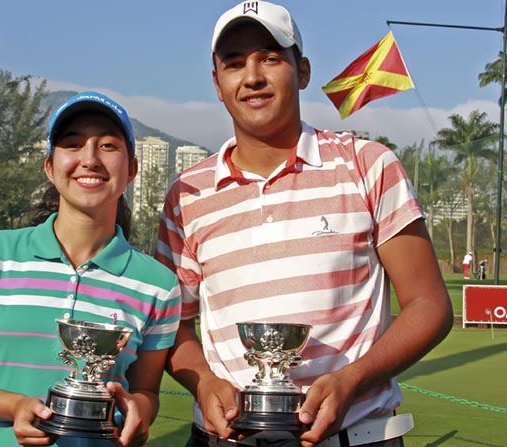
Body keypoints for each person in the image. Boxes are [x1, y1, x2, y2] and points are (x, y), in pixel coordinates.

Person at [156, 2, 453, 446]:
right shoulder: (187, 193)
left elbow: (429, 305)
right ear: (217, 84)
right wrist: (202, 379)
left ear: (304, 71)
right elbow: (173, 323)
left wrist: (351, 379)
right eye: (234, 63)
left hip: (356, 435)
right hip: (225, 438)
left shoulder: (368, 165)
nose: (252, 76)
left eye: (270, 58)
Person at [0, 91, 182, 447]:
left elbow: (146, 391)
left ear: (132, 170)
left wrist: (139, 408)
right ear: (50, 166)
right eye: (72, 145)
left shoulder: (158, 284)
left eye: (108, 146)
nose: (90, 159)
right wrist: (14, 406)